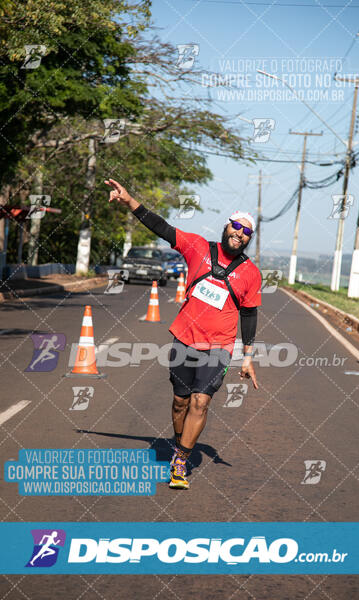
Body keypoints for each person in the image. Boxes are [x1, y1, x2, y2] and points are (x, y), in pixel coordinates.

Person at [105, 178, 262, 490]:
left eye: (246, 231)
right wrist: (130, 202)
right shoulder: (198, 247)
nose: (239, 234)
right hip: (185, 338)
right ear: (227, 226)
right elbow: (162, 228)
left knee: (200, 402)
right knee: (180, 402)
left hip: (219, 346)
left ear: (249, 238)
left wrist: (248, 356)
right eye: (236, 226)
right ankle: (180, 443)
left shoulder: (251, 273)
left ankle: (180, 460)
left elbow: (249, 313)